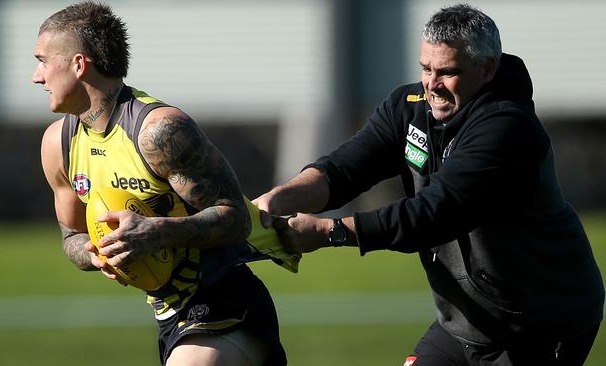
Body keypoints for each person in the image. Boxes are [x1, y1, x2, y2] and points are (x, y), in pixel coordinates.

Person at [254, 4, 604, 366]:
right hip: (463, 326)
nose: (432, 85)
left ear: (488, 69)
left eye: (448, 72)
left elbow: (432, 214)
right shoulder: (408, 106)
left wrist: (332, 232)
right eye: (426, 68)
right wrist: (279, 197)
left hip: (541, 325)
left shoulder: (507, 127)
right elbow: (343, 170)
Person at [35, 2, 295, 365]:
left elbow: (236, 218)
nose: (37, 76)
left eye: (43, 60)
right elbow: (72, 238)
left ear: (79, 65)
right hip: (169, 314)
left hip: (227, 300)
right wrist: (99, 250)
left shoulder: (158, 131)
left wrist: (156, 232)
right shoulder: (58, 145)